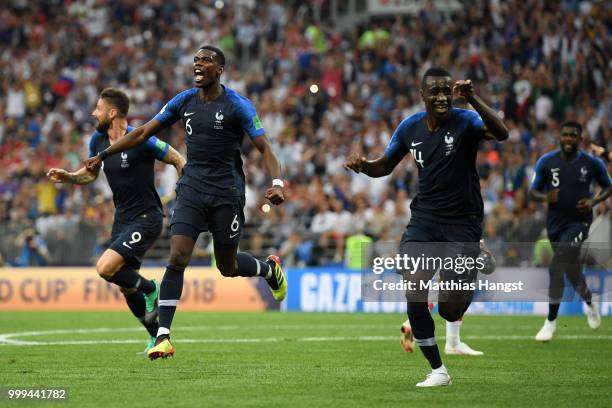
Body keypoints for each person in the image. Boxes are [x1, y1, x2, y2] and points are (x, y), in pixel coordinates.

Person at [84, 46, 287, 360]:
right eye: (195, 60)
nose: (198, 64)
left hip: (226, 193)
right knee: (178, 256)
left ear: (219, 69)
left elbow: (266, 148)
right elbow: (142, 133)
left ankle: (268, 268)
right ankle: (163, 337)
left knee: (227, 266)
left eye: (205, 60)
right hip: (191, 188)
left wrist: (276, 184)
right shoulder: (183, 101)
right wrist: (102, 155)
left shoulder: (238, 105)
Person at [344, 67, 508, 387]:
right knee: (414, 286)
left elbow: (501, 133)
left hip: (463, 223)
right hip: (424, 220)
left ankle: (475, 257)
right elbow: (385, 165)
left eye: (446, 91)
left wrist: (473, 97)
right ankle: (438, 371)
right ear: (423, 96)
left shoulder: (467, 120)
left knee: (449, 309)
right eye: (434, 91)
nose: (442, 96)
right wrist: (364, 167)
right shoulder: (410, 127)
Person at [48, 88, 185, 354]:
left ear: (112, 113)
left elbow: (177, 158)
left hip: (147, 217)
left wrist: (184, 190)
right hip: (122, 219)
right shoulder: (98, 141)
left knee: (104, 267)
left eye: (97, 108)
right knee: (124, 285)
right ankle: (158, 339)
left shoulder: (141, 137)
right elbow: (90, 175)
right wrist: (69, 177)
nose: (93, 113)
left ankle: (150, 288)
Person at [530, 121, 610, 342]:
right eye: (565, 135)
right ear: (560, 137)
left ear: (580, 139)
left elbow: (608, 185)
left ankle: (550, 322)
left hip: (579, 222)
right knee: (571, 270)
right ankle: (590, 301)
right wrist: (546, 197)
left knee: (557, 265)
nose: (568, 139)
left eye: (573, 136)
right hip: (555, 224)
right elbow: (533, 192)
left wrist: (594, 200)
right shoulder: (546, 162)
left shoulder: (591, 163)